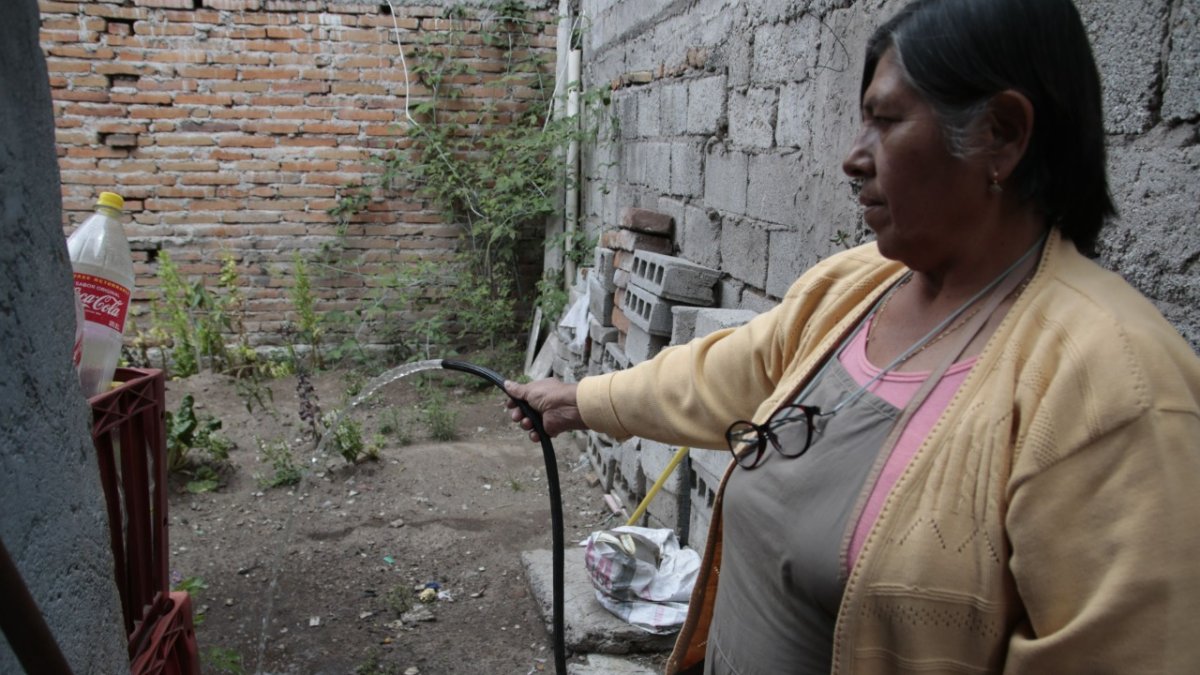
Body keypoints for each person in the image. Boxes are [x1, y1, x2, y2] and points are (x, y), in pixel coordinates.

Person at [506, 0, 1200, 672]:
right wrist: (579, 400)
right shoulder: (860, 286)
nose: (852, 158)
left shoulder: (1115, 386)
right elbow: (726, 375)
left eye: (886, 121)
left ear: (1003, 133)